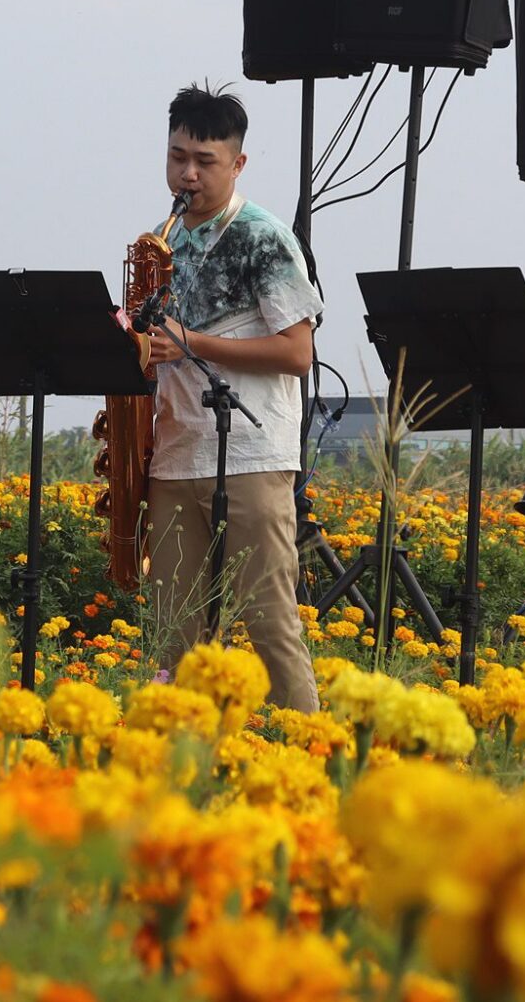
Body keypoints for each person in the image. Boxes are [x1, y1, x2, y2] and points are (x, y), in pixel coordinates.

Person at [140, 84, 321, 711]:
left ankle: (314, 756)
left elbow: (297, 353)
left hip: (251, 452)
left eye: (204, 162)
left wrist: (191, 342)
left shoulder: (264, 237)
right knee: (172, 631)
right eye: (176, 157)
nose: (187, 174)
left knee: (269, 623)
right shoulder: (159, 243)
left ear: (237, 164)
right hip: (173, 452)